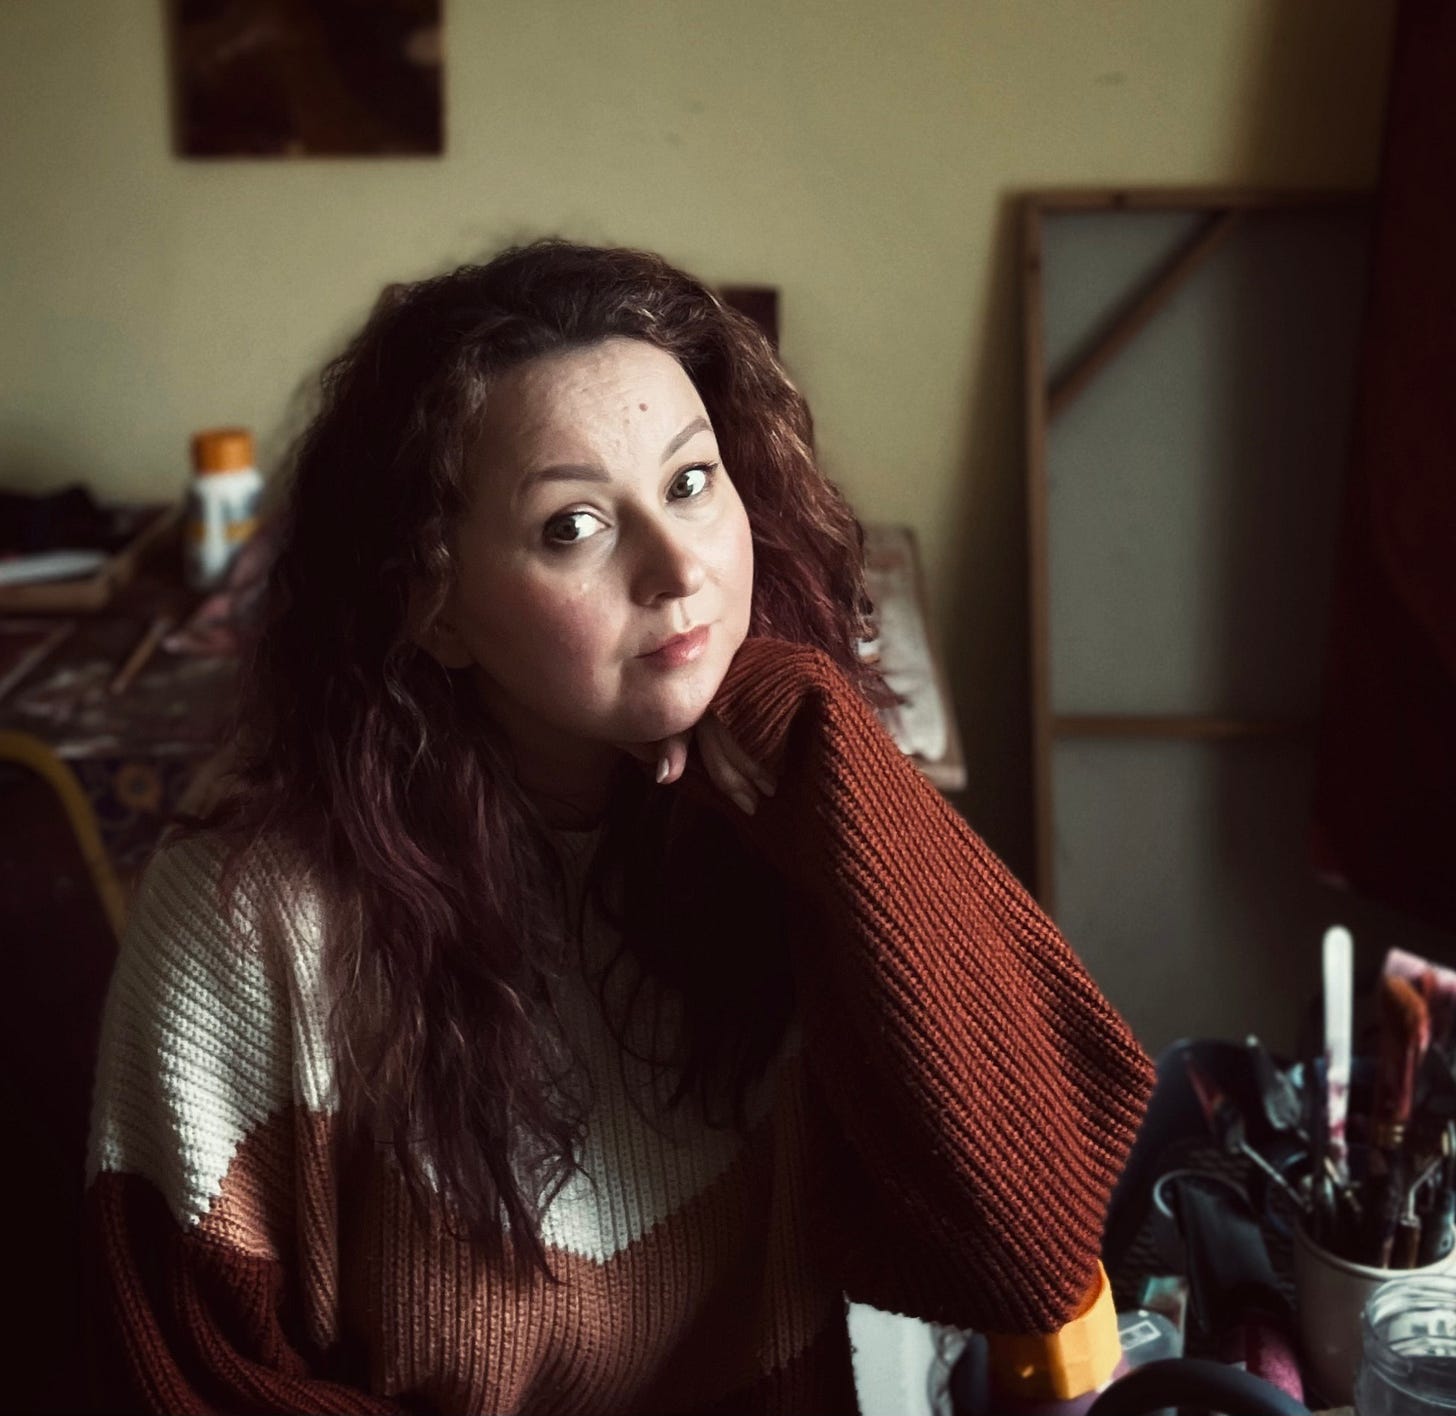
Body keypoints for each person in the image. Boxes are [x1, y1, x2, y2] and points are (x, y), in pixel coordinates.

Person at [84, 240, 1155, 1414]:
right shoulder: (250, 912)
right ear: (433, 607)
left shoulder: (783, 801)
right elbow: (197, 1382)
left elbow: (1037, 1245)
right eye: (573, 526)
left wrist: (833, 758)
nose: (678, 566)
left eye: (691, 482)